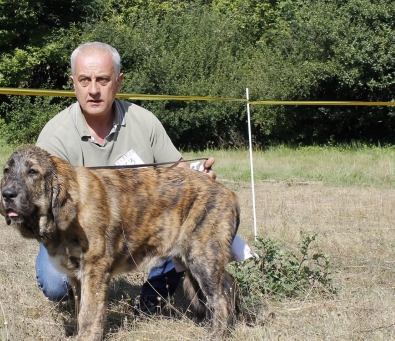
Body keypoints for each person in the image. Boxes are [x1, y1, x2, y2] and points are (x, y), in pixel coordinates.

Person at [34, 42, 255, 313]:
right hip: (78, 234)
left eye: (103, 80)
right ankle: (82, 297)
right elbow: (44, 209)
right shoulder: (54, 137)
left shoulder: (144, 121)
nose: (93, 90)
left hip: (140, 229)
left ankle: (156, 294)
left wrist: (200, 177)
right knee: (55, 283)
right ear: (73, 83)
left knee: (179, 223)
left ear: (118, 81)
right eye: (85, 80)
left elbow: (179, 176)